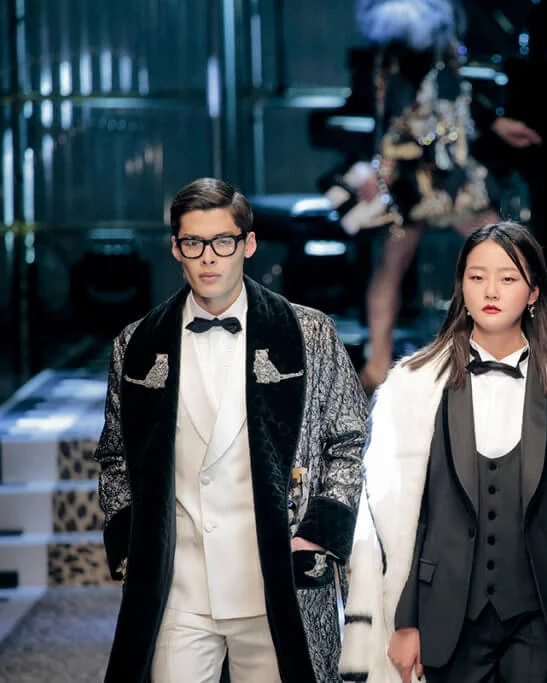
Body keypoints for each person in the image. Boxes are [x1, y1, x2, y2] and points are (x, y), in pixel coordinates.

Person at [339, 223, 547, 682]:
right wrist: (404, 621)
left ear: (534, 292)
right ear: (461, 286)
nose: (491, 291)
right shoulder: (415, 387)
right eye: (477, 277)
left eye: (508, 278)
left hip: (545, 617)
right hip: (445, 618)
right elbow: (404, 518)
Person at [92, 178, 368, 682]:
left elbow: (348, 438)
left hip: (275, 578)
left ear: (249, 244)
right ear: (176, 248)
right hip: (179, 587)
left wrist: (317, 535)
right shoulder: (136, 344)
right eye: (193, 243)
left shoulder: (309, 333)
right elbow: (115, 454)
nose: (208, 258)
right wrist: (134, 548)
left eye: (223, 241)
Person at [351, 0, 541, 393]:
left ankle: (526, 346)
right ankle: (377, 362)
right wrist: (365, 166)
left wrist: (495, 123)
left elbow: (457, 99)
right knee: (393, 262)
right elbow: (373, 111)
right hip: (407, 173)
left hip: (450, 169)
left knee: (505, 248)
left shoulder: (443, 40)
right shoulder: (387, 47)